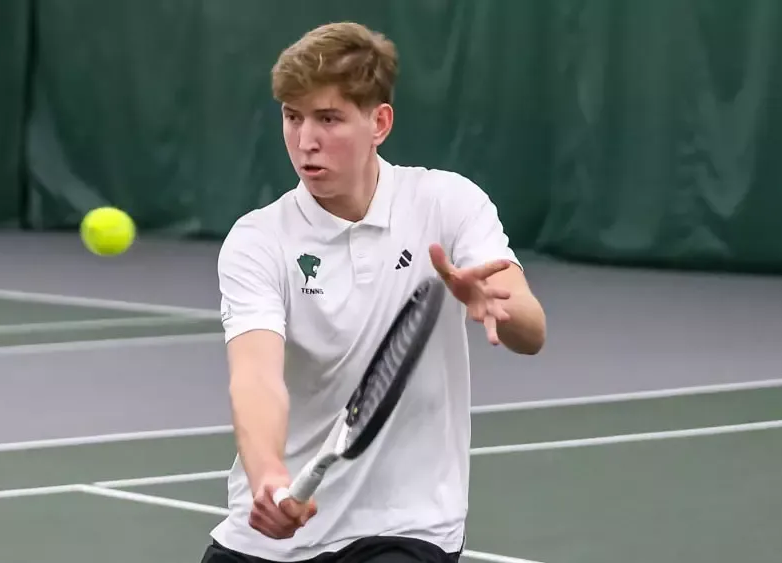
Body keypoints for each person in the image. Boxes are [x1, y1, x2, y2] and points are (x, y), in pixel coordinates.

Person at [203, 21, 546, 563]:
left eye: (329, 119)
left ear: (379, 122)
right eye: (293, 118)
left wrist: (500, 306)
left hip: (408, 522)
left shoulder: (447, 204)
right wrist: (269, 476)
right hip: (274, 533)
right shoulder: (257, 240)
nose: (305, 140)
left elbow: (531, 330)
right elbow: (255, 376)